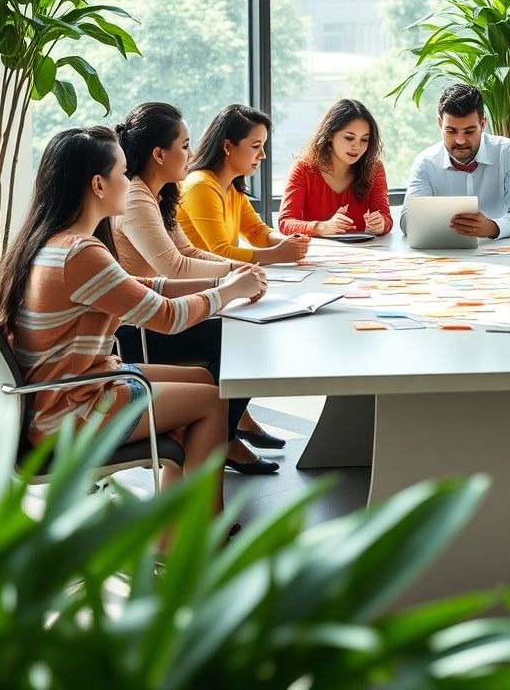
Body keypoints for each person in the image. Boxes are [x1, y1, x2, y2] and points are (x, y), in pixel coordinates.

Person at [0, 126, 268, 515]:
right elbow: (167, 318)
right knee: (210, 400)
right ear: (98, 185)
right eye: (122, 173)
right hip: (72, 412)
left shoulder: (57, 241)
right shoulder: (80, 254)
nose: (129, 182)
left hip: (66, 394)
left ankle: (172, 527)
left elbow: (142, 285)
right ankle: (202, 530)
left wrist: (223, 282)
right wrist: (228, 293)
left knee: (202, 380)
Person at [113, 102, 282, 476]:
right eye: (185, 145)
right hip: (139, 329)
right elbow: (170, 266)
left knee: (243, 332)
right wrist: (230, 280)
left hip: (163, 310)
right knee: (243, 340)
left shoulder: (159, 192)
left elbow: (187, 251)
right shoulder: (135, 198)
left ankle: (222, 436)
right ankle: (219, 438)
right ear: (159, 154)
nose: (191, 154)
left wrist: (241, 269)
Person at [178, 105, 311, 265]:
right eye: (255, 146)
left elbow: (256, 231)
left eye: (263, 146)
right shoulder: (200, 186)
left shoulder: (231, 186)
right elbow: (220, 252)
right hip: (199, 282)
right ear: (227, 146)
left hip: (221, 278)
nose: (262, 155)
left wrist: (289, 242)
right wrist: (279, 254)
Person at [400, 82, 510, 239]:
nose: (460, 140)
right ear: (440, 124)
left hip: (501, 251)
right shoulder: (426, 163)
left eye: (469, 131)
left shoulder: (508, 153)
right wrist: (450, 222)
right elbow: (407, 221)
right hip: (443, 252)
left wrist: (492, 227)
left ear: (483, 124)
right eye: (451, 131)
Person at [278, 99, 393, 237]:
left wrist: (381, 224)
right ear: (329, 135)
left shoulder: (374, 168)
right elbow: (285, 222)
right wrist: (322, 227)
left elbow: (386, 218)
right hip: (316, 254)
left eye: (364, 140)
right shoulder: (303, 168)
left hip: (364, 253)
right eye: (349, 138)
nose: (357, 146)